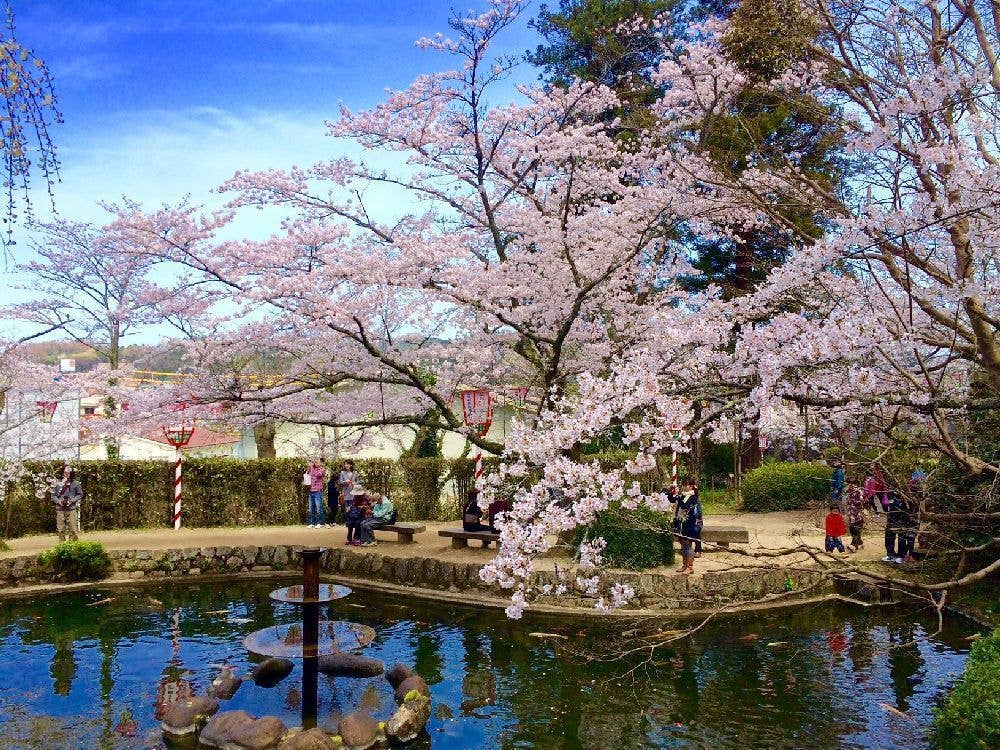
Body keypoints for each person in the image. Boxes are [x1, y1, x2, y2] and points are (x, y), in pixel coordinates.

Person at [674, 480, 702, 575]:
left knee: (688, 545)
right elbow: (672, 499)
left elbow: (686, 507)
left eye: (687, 485)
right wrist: (672, 493)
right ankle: (684, 565)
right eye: (684, 485)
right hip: (680, 523)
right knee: (682, 545)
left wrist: (679, 498)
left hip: (689, 524)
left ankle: (690, 566)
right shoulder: (682, 495)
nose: (685, 487)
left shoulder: (694, 498)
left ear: (691, 487)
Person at [52, 467, 83, 542]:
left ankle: (73, 545)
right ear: (62, 473)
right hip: (60, 509)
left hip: (71, 508)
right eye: (65, 472)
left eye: (68, 472)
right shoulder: (56, 483)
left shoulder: (76, 483)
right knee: (60, 529)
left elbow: (80, 494)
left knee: (73, 529)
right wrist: (59, 501)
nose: (67, 474)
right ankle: (62, 546)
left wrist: (72, 501)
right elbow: (53, 496)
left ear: (71, 473)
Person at [883, 490, 905, 563]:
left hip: (900, 520)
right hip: (890, 519)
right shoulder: (889, 493)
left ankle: (901, 556)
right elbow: (885, 506)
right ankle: (890, 555)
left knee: (901, 539)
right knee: (889, 538)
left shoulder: (903, 494)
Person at [898, 493, 920, 562]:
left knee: (911, 540)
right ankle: (905, 555)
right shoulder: (904, 503)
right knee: (907, 539)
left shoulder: (916, 505)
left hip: (914, 523)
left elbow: (918, 515)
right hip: (907, 523)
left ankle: (910, 555)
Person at [306, 458, 328, 528]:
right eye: (315, 462)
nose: (316, 463)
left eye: (317, 462)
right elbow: (308, 474)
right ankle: (312, 523)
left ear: (321, 463)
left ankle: (320, 523)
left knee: (319, 508)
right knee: (311, 508)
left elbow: (318, 475)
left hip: (318, 491)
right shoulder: (312, 469)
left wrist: (311, 467)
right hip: (311, 491)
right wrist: (309, 467)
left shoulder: (322, 469)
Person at [845, 481, 865, 550]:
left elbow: (863, 502)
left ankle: (853, 545)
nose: (850, 485)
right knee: (852, 531)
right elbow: (847, 503)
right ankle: (860, 543)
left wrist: (855, 503)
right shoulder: (848, 492)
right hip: (851, 515)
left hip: (858, 516)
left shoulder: (859, 492)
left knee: (857, 530)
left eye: (852, 484)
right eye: (849, 484)